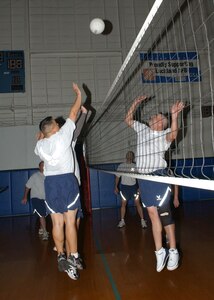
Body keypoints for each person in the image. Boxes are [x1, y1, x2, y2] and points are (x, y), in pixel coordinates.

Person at [125, 95, 184, 272]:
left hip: (158, 176)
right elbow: (127, 119)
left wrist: (174, 116)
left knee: (165, 214)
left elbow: (174, 134)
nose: (154, 116)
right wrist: (135, 102)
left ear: (161, 124)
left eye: (158, 116)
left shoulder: (164, 134)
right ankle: (159, 251)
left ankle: (173, 250)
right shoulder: (142, 129)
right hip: (144, 179)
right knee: (151, 214)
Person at [34, 82, 82, 280]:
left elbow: (39, 139)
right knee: (71, 222)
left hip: (50, 183)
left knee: (56, 222)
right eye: (56, 122)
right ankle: (74, 256)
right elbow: (74, 111)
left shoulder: (39, 145)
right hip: (67, 181)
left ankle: (61, 254)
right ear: (54, 128)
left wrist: (41, 136)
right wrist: (79, 94)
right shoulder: (62, 136)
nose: (58, 123)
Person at [114, 151, 147, 229]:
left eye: (131, 155)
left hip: (134, 187)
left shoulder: (135, 166)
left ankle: (142, 220)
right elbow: (117, 177)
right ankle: (122, 221)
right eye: (128, 155)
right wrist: (116, 186)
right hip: (125, 188)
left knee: (138, 203)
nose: (129, 156)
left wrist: (140, 187)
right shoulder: (121, 166)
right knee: (123, 204)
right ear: (126, 157)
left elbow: (139, 178)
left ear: (132, 157)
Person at [21, 161, 49, 241]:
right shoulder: (35, 176)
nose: (43, 167)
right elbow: (27, 186)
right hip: (36, 198)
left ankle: (41, 228)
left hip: (45, 199)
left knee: (44, 214)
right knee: (42, 214)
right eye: (42, 165)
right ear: (39, 167)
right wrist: (25, 197)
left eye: (44, 165)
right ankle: (44, 232)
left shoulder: (48, 176)